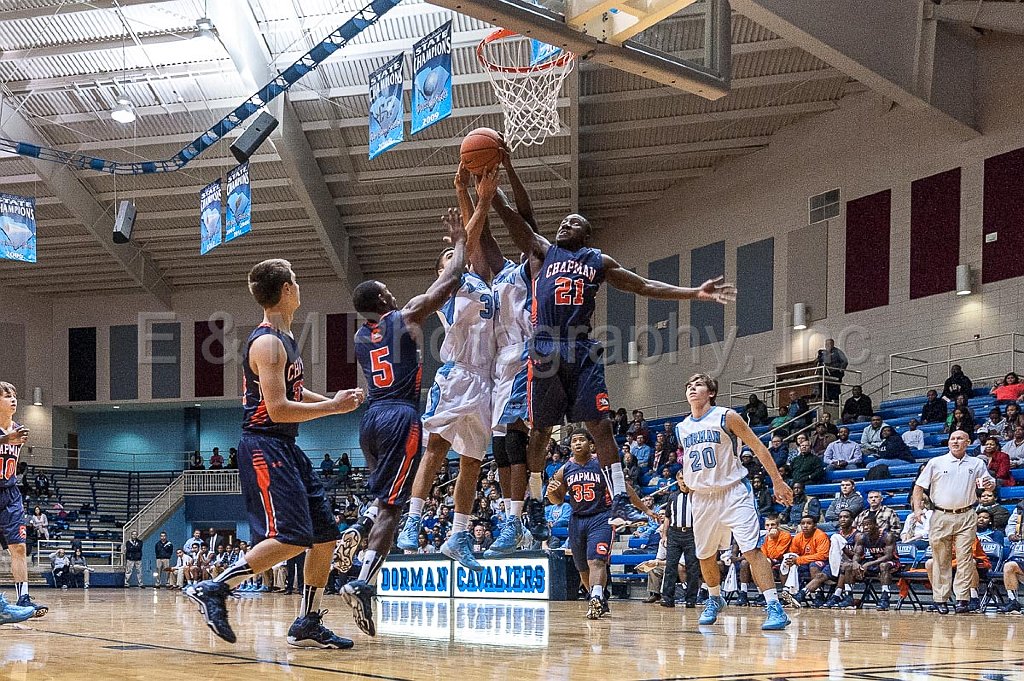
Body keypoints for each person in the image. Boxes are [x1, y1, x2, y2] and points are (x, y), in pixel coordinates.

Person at [491, 154, 735, 529]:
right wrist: (496, 179)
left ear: (586, 234)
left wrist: (694, 293)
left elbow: (644, 285)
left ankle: (620, 495)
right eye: (562, 222)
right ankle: (536, 498)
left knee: (600, 426)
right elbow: (512, 215)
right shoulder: (543, 251)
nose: (565, 225)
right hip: (544, 346)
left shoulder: (597, 261)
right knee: (539, 431)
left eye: (574, 223)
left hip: (581, 348)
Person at [183, 259, 365, 649]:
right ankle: (214, 587)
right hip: (264, 445)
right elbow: (279, 408)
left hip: (286, 446)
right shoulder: (267, 343)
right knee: (293, 536)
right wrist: (332, 408)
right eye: (295, 282)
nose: (299, 287)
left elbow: (295, 394)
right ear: (285, 291)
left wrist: (334, 400)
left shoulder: (284, 339)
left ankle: (308, 620)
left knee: (325, 536)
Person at [342, 182, 494, 638]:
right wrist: (460, 239)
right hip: (400, 415)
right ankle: (365, 579)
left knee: (378, 497)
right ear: (382, 302)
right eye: (387, 291)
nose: (393, 293)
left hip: (369, 419)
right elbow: (449, 283)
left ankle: (364, 522)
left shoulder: (358, 338)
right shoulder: (403, 315)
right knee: (393, 502)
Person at [395, 168, 502, 572]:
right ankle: (414, 518)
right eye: (453, 258)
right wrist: (480, 197)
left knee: (472, 461)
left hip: (485, 380)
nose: (462, 257)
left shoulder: (483, 281)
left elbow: (475, 245)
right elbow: (468, 244)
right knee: (437, 449)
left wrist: (469, 194)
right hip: (457, 374)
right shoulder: (448, 286)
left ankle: (458, 535)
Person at [674, 373, 794, 630]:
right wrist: (685, 478)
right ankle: (714, 599)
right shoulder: (681, 427)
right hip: (701, 498)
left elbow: (759, 448)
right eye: (689, 386)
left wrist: (777, 481)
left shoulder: (726, 416)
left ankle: (774, 606)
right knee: (705, 555)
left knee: (751, 549)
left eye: (698, 385)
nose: (692, 389)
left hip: (733, 491)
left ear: (711, 392)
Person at [547, 427, 652, 619]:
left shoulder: (601, 464)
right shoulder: (565, 469)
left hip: (601, 517)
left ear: (591, 444)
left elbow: (626, 488)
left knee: (596, 560)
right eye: (574, 441)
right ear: (570, 446)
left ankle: (596, 597)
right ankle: (597, 599)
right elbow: (558, 500)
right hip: (577, 519)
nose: (577, 443)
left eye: (581, 440)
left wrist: (645, 510)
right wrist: (551, 492)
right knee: (582, 568)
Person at [910, 430, 995, 614]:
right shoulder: (936, 462)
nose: (955, 441)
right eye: (952, 439)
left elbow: (988, 482)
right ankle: (940, 599)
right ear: (948, 442)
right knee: (941, 559)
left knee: (965, 558)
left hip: (966, 514)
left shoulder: (977, 463)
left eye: (959, 439)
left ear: (968, 442)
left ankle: (963, 599)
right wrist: (917, 509)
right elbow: (918, 487)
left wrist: (990, 485)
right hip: (940, 515)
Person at [0, 382, 46, 618]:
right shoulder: (9, 434)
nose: (13, 399)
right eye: (7, 396)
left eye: (15, 395)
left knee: (18, 546)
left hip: (10, 493)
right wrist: (5, 440)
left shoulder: (18, 428)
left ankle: (24, 597)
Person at [828, 511, 899, 610]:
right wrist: (856, 563)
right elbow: (857, 554)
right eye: (863, 525)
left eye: (869, 524)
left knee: (884, 565)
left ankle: (885, 597)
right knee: (849, 565)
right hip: (871, 563)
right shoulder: (861, 537)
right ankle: (848, 597)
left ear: (875, 525)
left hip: (892, 563)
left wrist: (868, 564)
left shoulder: (887, 536)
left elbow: (888, 556)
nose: (865, 527)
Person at [660, 469, 702, 608]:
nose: (684, 481)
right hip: (674, 534)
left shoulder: (696, 496)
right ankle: (667, 598)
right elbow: (667, 517)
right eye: (681, 478)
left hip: (692, 535)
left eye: (686, 478)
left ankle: (691, 599)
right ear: (677, 480)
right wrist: (664, 535)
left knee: (692, 568)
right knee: (670, 567)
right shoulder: (672, 497)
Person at [998, 505, 1023, 613]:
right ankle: (1013, 602)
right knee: (1009, 566)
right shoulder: (1021, 507)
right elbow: (1012, 524)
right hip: (1020, 553)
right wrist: (1011, 535)